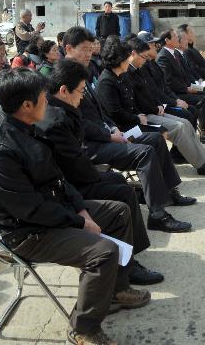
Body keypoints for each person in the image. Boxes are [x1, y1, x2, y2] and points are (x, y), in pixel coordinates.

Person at [0, 69, 150, 345]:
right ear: (27, 106)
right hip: (27, 233)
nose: (49, 102)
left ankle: (116, 289)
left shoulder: (31, 130)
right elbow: (30, 210)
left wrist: (81, 210)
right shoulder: (0, 153)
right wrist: (80, 222)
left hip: (52, 212)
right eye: (44, 98)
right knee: (103, 252)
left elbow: (58, 178)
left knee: (118, 211)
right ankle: (84, 329)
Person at [37, 59, 163, 285]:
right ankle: (127, 265)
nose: (83, 96)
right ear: (64, 90)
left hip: (73, 174)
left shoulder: (62, 109)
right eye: (80, 91)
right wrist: (94, 176)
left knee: (117, 181)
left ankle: (128, 253)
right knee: (121, 193)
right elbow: (73, 164)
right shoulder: (56, 119)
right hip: (66, 185)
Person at [64, 27, 193, 233]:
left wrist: (112, 127)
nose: (89, 54)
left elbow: (99, 111)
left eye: (91, 49)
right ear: (68, 48)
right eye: (84, 49)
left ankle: (169, 192)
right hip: (89, 145)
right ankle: (157, 214)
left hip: (106, 134)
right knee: (144, 152)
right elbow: (76, 121)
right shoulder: (64, 78)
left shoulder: (83, 73)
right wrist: (110, 134)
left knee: (156, 140)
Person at [126, 37, 205, 175]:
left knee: (186, 122)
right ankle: (201, 164)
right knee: (180, 125)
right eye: (151, 45)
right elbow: (141, 99)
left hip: (154, 108)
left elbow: (155, 91)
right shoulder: (129, 72)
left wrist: (160, 105)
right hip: (144, 115)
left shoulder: (141, 67)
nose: (155, 47)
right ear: (133, 53)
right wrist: (159, 106)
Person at [157, 29, 205, 140]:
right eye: (174, 36)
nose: (177, 39)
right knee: (203, 99)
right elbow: (168, 81)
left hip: (186, 88)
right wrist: (187, 89)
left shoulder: (174, 53)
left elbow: (184, 74)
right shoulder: (163, 56)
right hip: (176, 93)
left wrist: (193, 85)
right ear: (167, 40)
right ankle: (204, 132)